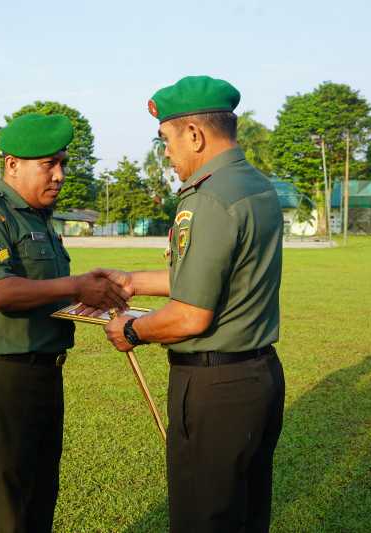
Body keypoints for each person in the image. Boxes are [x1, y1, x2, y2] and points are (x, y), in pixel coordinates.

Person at [102, 76, 286, 533]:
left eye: (166, 139)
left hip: (216, 386)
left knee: (203, 517)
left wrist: (130, 330)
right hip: (258, 375)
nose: (166, 153)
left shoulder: (207, 198)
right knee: (244, 514)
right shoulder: (254, 186)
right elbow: (218, 282)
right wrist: (132, 281)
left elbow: (191, 314)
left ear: (196, 135)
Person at [0, 112, 129, 533]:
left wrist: (89, 296)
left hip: (44, 376)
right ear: (12, 164)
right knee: (5, 511)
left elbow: (49, 290)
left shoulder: (39, 220)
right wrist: (74, 285)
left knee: (39, 498)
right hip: (1, 380)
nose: (60, 175)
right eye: (48, 164)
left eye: (63, 163)